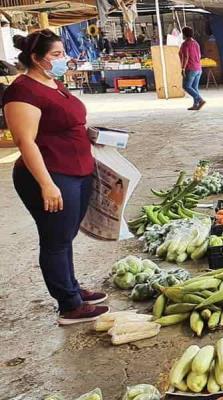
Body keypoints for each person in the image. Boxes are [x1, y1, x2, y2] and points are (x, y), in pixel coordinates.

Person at [4, 30, 109, 325]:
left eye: (63, 53)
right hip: (50, 175)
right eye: (56, 55)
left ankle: (72, 288)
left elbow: (64, 121)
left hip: (77, 171)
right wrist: (47, 184)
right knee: (54, 240)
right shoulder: (22, 92)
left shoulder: (53, 83)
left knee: (65, 236)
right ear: (36, 59)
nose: (64, 59)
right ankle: (69, 305)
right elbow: (25, 142)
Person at [179, 26, 205, 111]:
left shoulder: (185, 44)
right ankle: (195, 104)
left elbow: (186, 56)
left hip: (190, 68)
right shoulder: (196, 43)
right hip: (198, 68)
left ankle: (200, 100)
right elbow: (199, 55)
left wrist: (183, 68)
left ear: (184, 34)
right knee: (194, 87)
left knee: (186, 86)